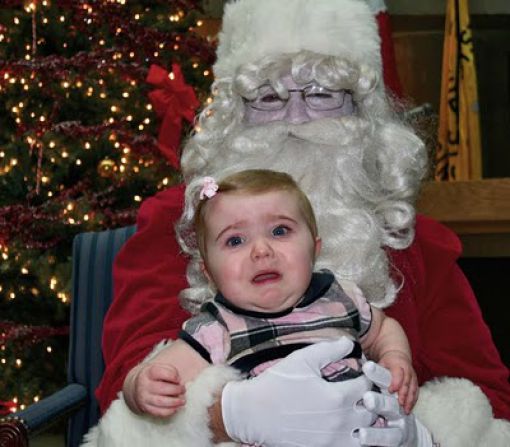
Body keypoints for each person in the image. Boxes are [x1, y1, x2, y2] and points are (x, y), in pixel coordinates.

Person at [94, 0, 510, 445]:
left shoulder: (414, 240)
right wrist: (228, 415)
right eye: (268, 97)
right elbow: (130, 386)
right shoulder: (182, 223)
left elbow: (491, 400)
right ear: (234, 114)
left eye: (322, 94)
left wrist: (419, 435)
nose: (295, 119)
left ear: (361, 111)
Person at [122, 169, 418, 424]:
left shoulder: (340, 297)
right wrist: (140, 387)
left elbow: (383, 329)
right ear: (209, 272)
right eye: (235, 240)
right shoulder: (218, 328)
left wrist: (395, 357)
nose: (261, 250)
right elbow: (163, 372)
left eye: (280, 231)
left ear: (314, 250)